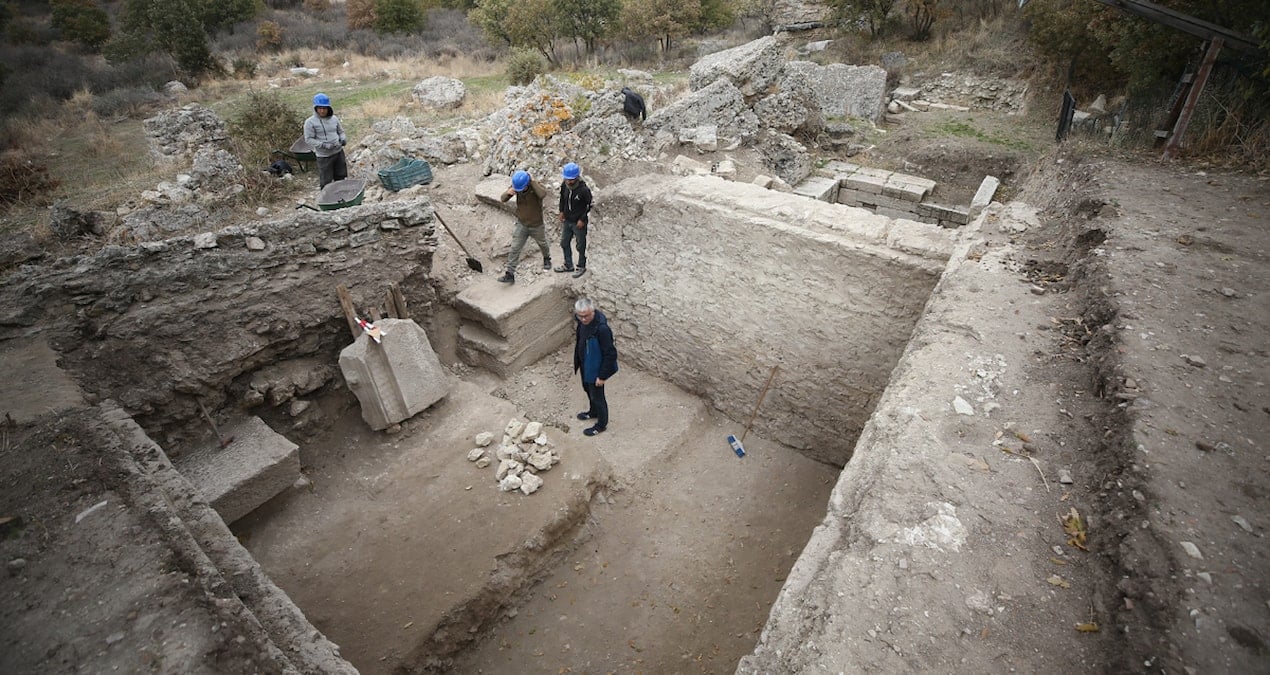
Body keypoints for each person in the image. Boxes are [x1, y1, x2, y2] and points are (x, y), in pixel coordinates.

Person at [572, 297, 618, 436]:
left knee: (598, 397)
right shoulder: (582, 323)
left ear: (593, 311)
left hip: (595, 370)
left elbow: (610, 354)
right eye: (580, 316)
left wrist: (602, 376)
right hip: (586, 365)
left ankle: (601, 424)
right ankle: (593, 412)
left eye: (586, 316)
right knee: (587, 389)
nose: (583, 319)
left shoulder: (602, 329)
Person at [497, 170, 552, 284]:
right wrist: (509, 192)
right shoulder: (517, 187)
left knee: (542, 243)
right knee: (515, 248)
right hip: (522, 224)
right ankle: (510, 274)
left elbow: (542, 194)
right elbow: (503, 199)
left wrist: (532, 181)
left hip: (536, 225)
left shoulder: (535, 187)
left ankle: (547, 258)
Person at [554, 162, 593, 279]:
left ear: (576, 177)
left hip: (578, 222)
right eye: (567, 179)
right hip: (567, 220)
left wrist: (582, 219)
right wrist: (561, 211)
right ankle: (568, 265)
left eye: (571, 179)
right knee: (564, 242)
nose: (569, 181)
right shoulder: (564, 186)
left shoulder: (583, 190)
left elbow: (589, 205)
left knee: (580, 245)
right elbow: (562, 199)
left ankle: (581, 266)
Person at [304, 93, 347, 189]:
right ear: (315, 108)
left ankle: (340, 194)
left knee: (341, 176)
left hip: (338, 152)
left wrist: (343, 139)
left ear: (328, 108)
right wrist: (323, 145)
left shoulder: (334, 119)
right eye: (320, 108)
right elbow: (308, 139)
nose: (322, 111)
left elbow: (341, 131)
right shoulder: (310, 122)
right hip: (324, 156)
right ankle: (326, 196)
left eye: (324, 108)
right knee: (326, 181)